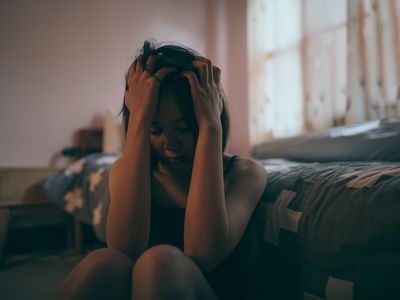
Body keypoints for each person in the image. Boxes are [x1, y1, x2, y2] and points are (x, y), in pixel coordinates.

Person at [54, 40, 268, 300]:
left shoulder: (244, 173)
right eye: (155, 130)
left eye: (183, 128)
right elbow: (124, 249)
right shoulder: (125, 171)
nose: (169, 144)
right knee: (104, 262)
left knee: (159, 263)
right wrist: (139, 121)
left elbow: (203, 254)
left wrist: (212, 128)